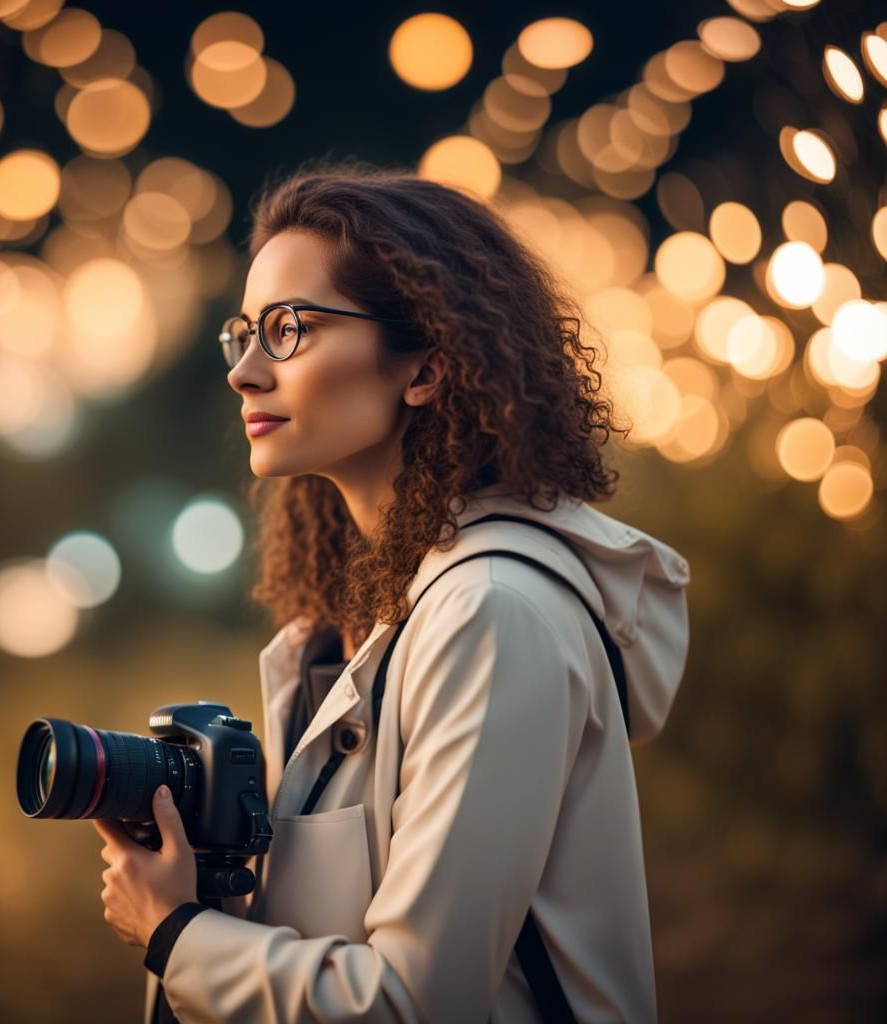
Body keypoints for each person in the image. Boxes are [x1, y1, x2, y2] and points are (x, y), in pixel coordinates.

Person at [93, 160, 691, 1023]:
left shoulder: (491, 613)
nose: (245, 372)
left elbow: (415, 1001)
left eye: (291, 328)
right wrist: (207, 892)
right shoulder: (347, 626)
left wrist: (175, 933)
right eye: (246, 333)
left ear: (424, 368)